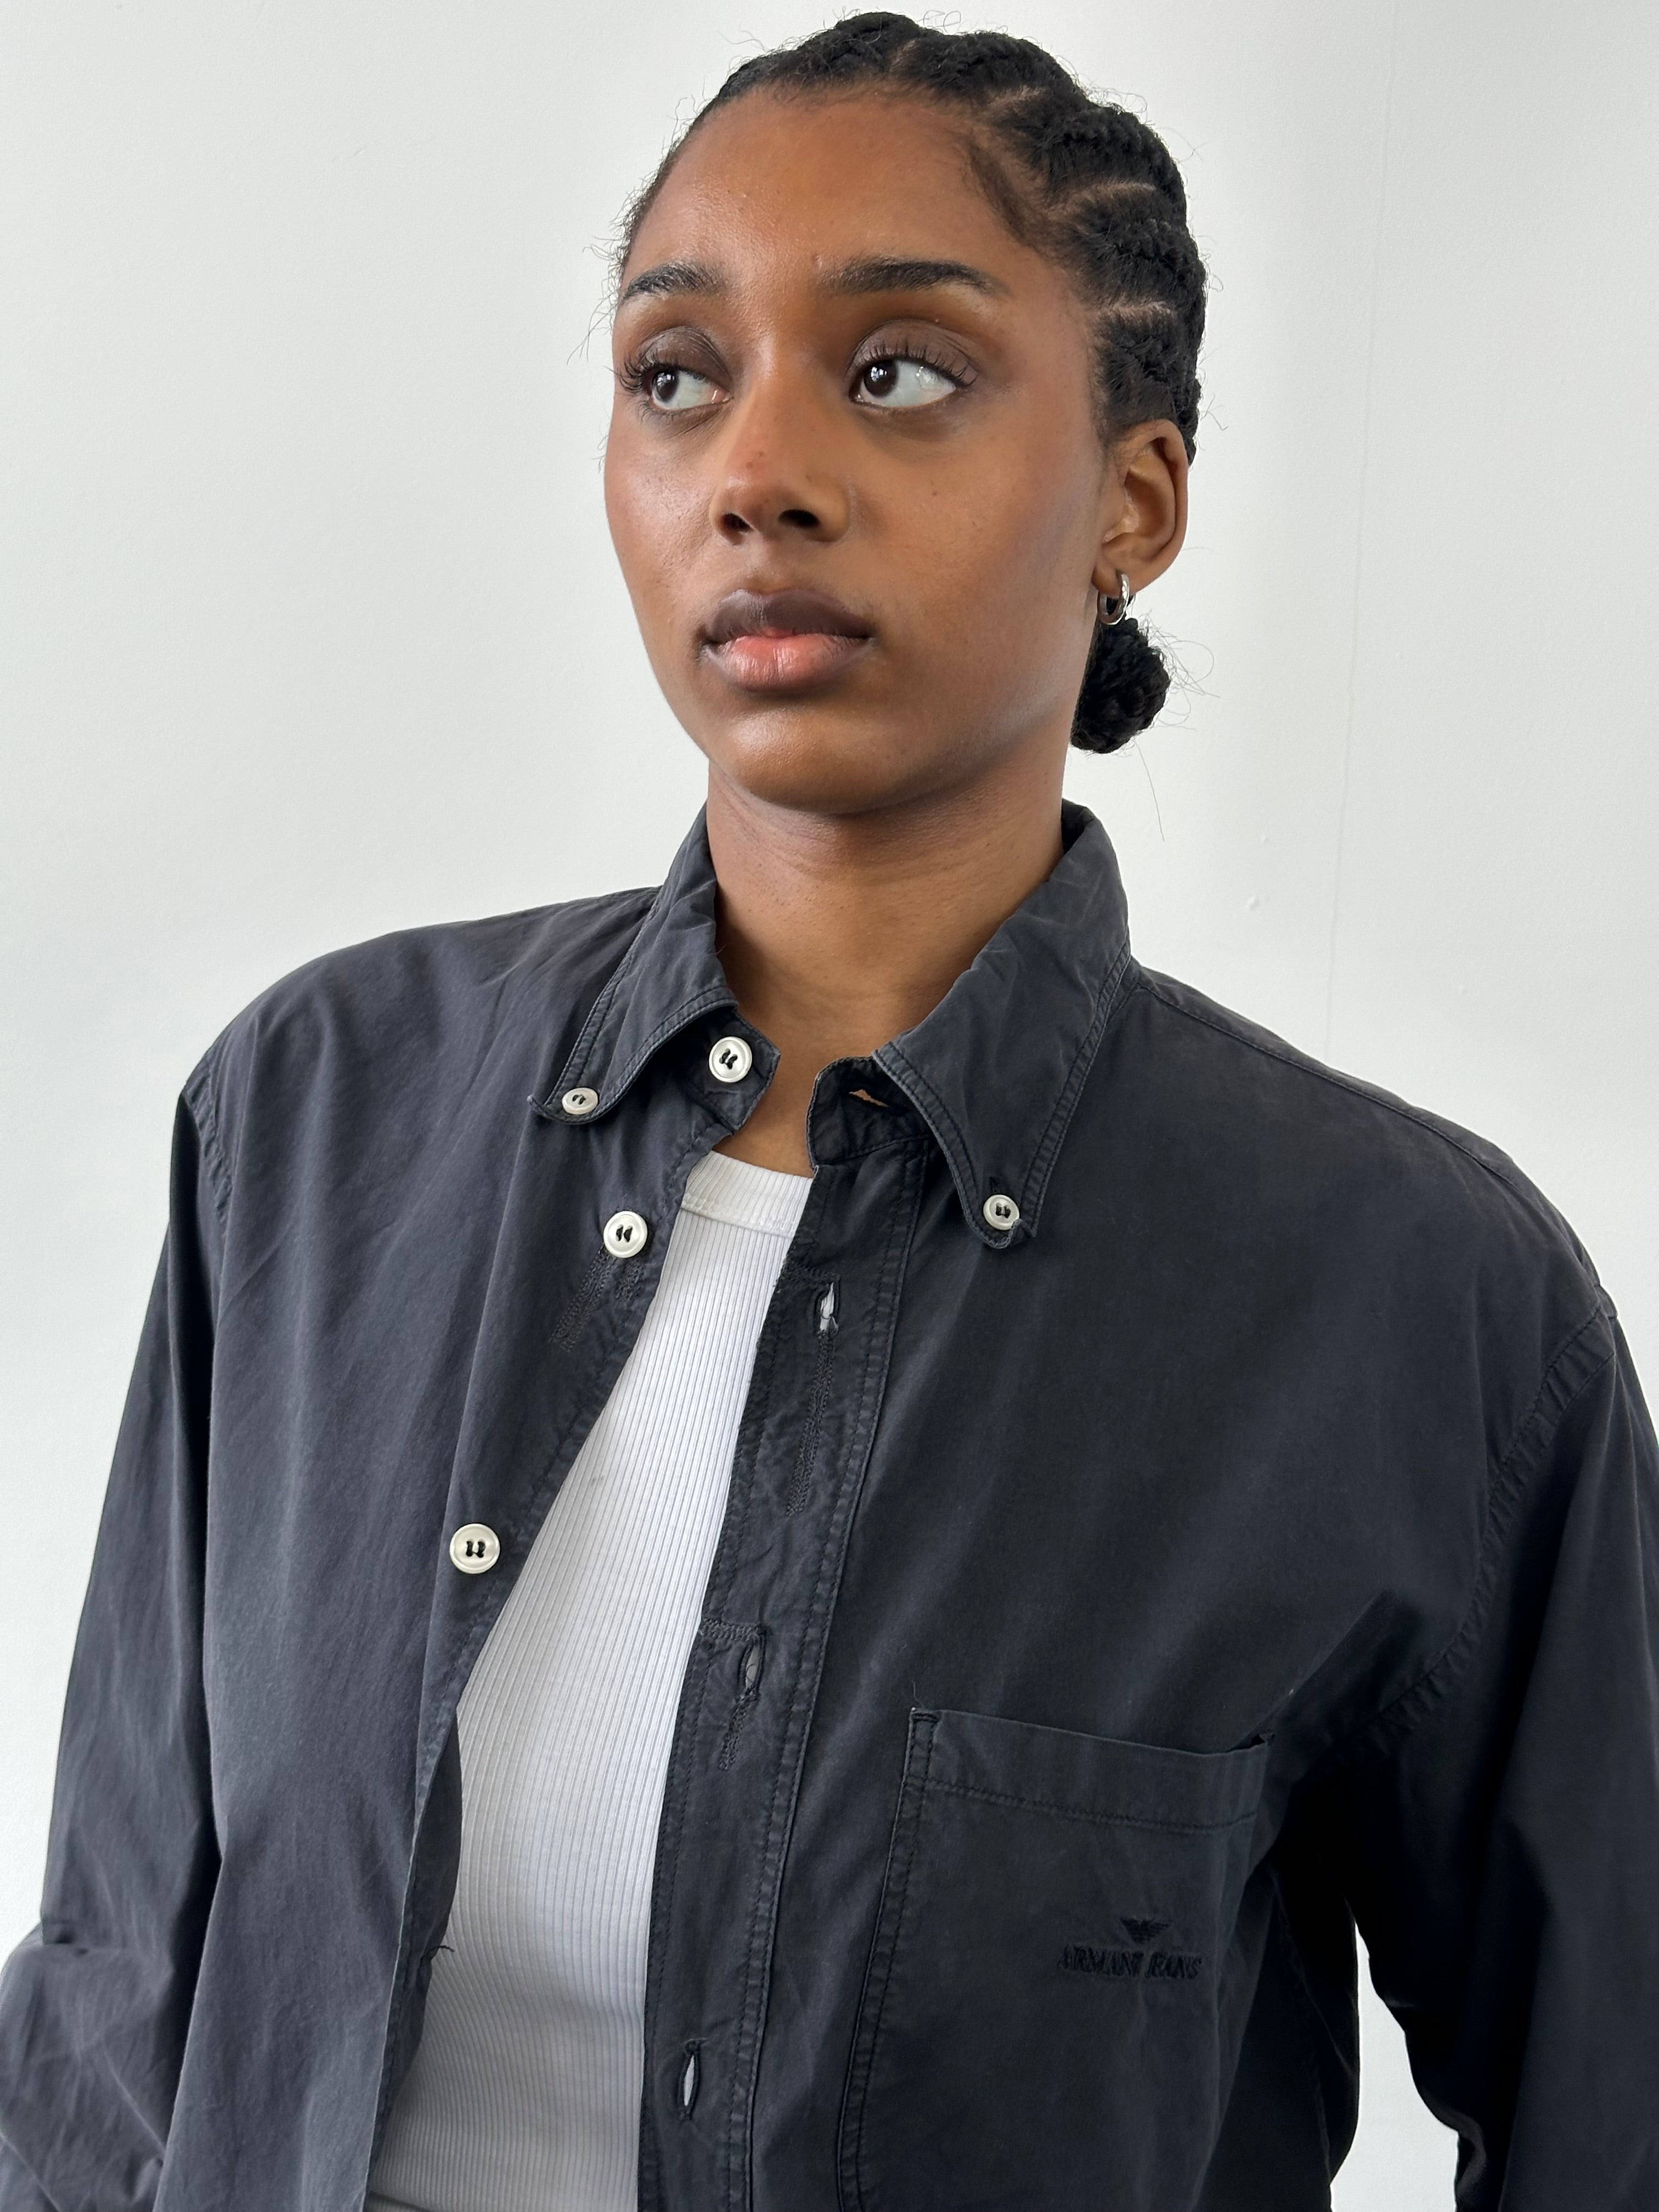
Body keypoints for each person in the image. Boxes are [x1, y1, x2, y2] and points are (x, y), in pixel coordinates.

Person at [2, 12, 1655, 2210]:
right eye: (677, 375)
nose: (756, 469)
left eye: (898, 372)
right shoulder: (318, 1120)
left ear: (1136, 500)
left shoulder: (1413, 1300)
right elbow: (113, 2021)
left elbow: (1613, 2110)